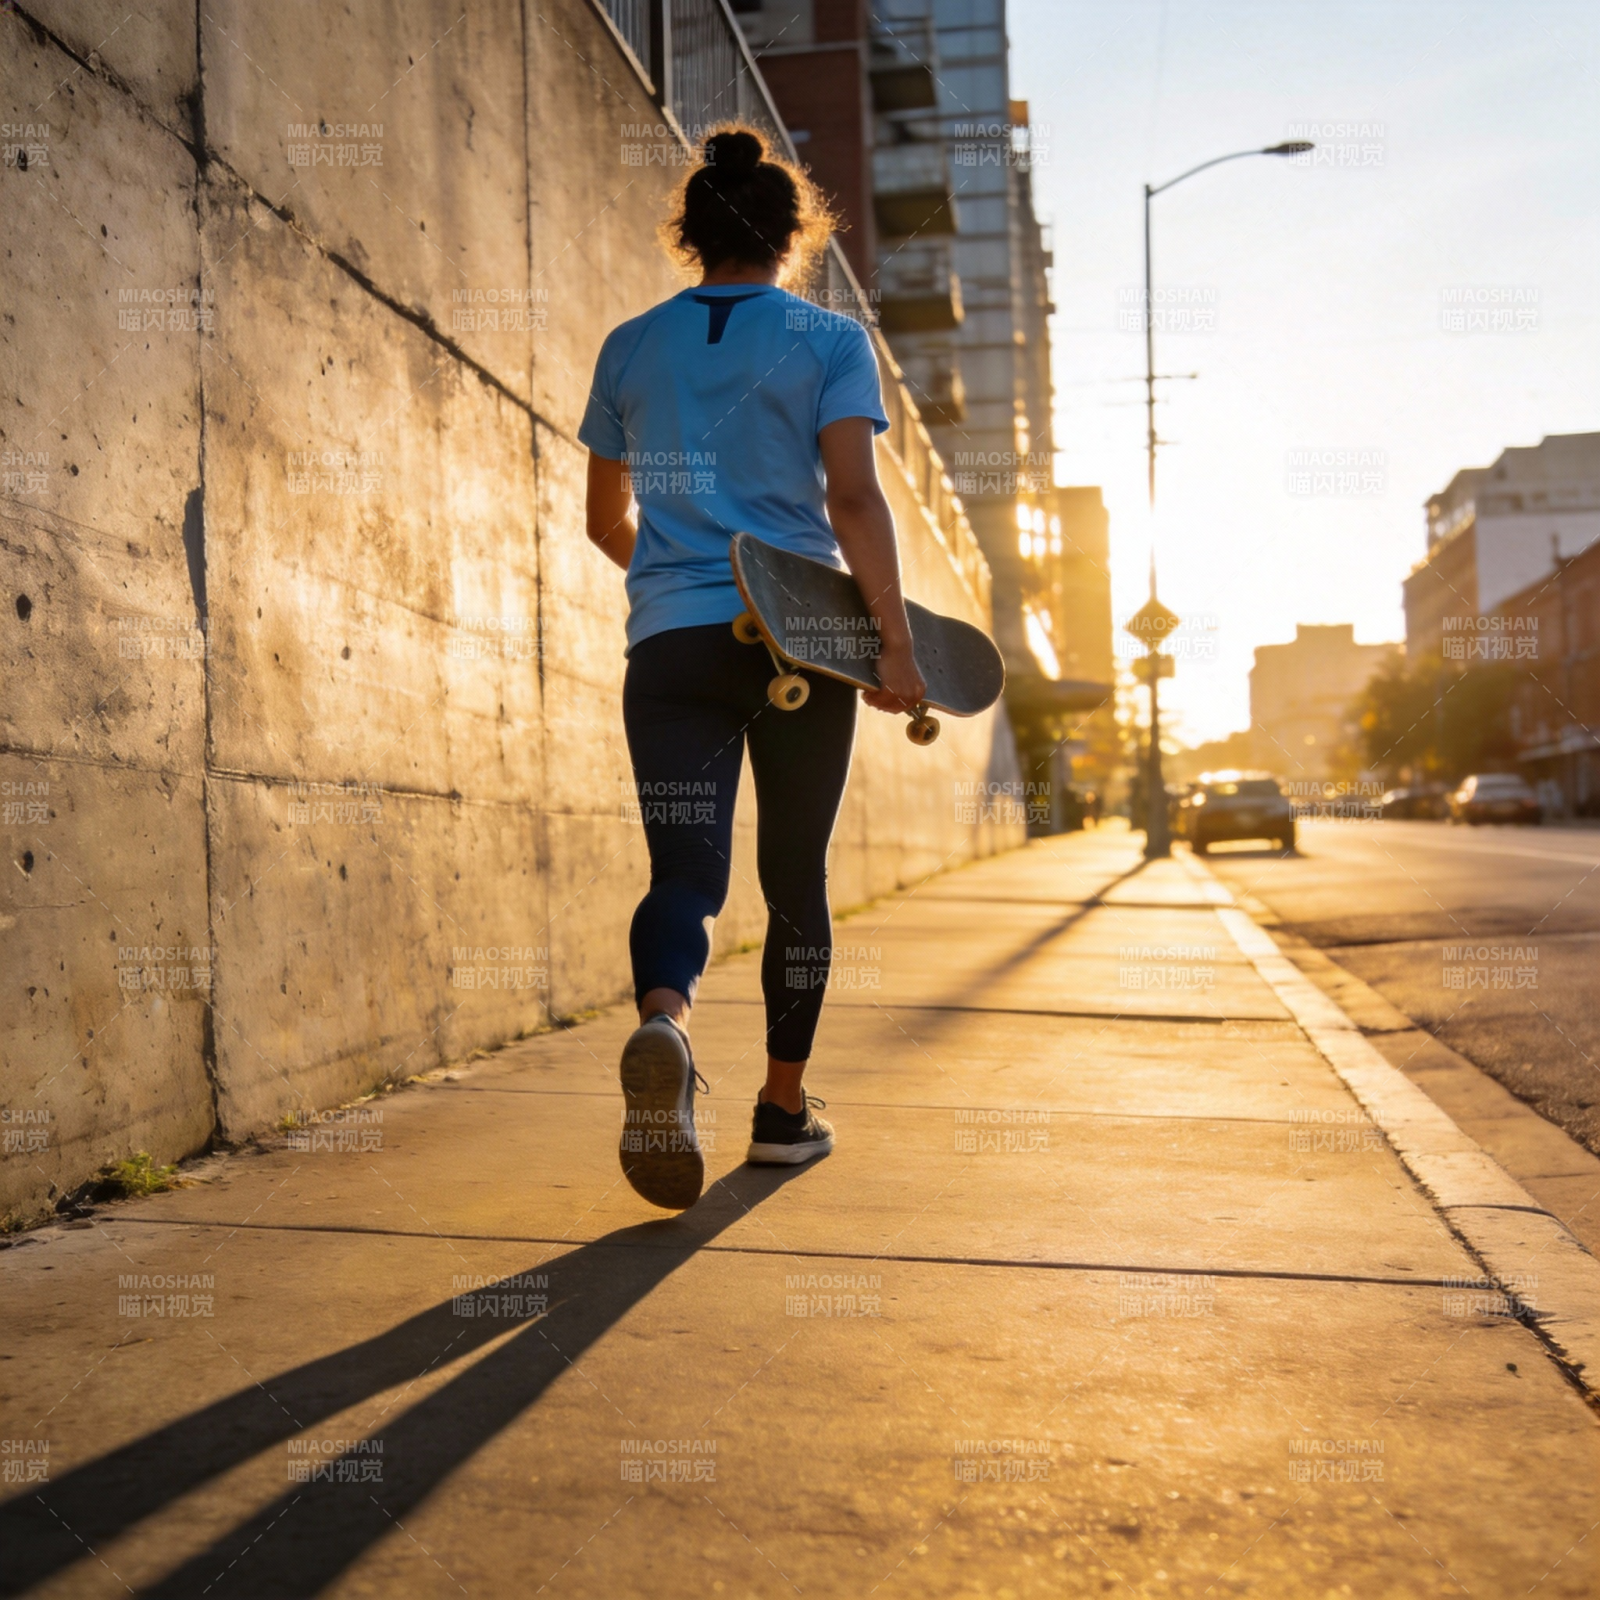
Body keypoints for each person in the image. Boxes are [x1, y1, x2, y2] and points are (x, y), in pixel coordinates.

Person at [581, 125, 926, 1211]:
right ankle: (781, 1112)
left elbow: (605, 518)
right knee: (794, 881)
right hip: (800, 642)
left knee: (684, 874)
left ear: (691, 234)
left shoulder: (630, 345)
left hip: (673, 643)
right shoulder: (827, 339)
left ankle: (665, 1023)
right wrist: (895, 641)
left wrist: (682, 586)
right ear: (794, 237)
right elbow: (854, 500)